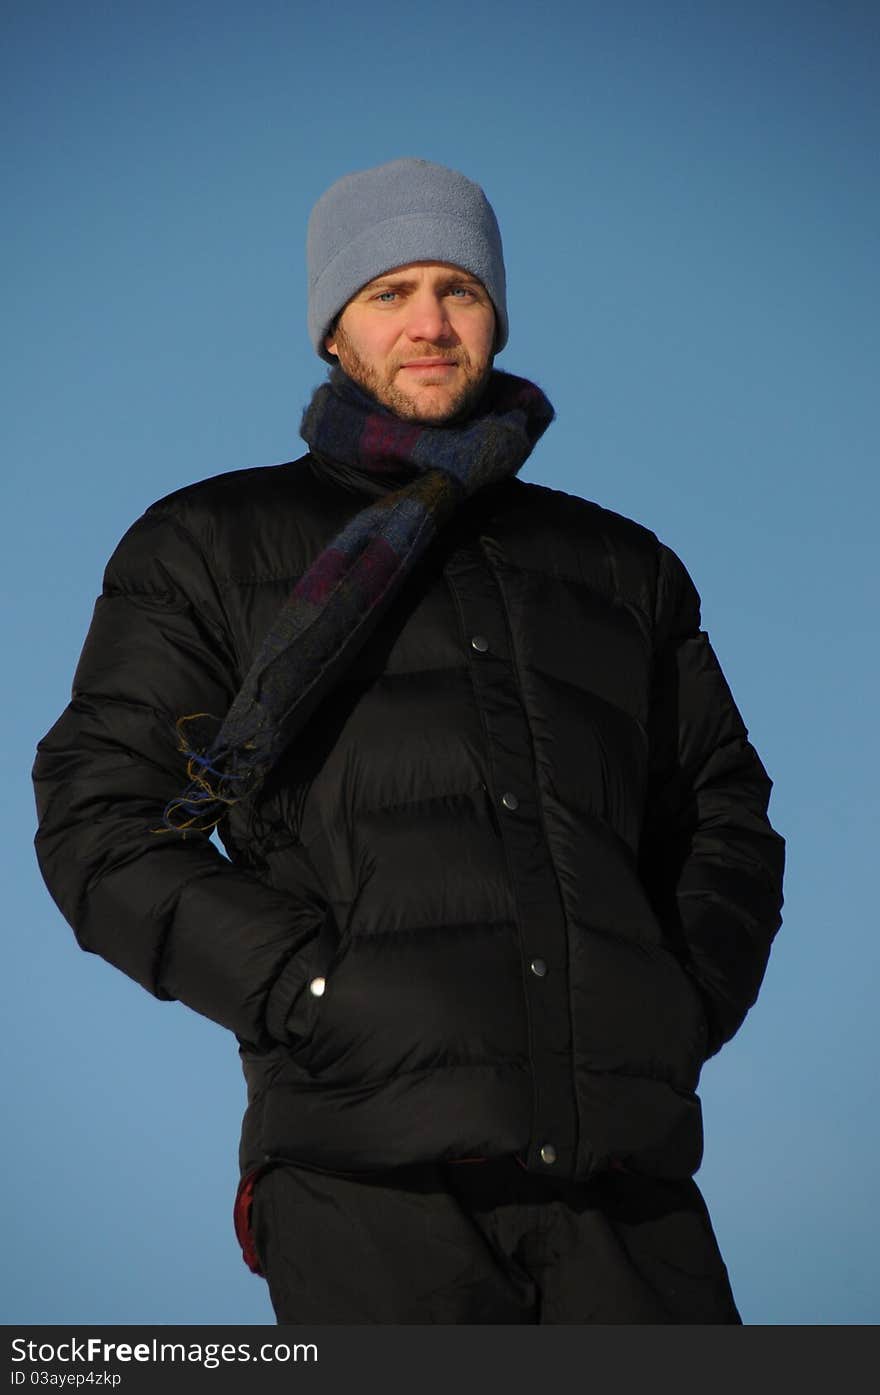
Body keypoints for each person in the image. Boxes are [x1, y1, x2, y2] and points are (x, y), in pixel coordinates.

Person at [32, 157, 785, 1325]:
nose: (429, 322)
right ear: (333, 331)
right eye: (388, 292)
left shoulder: (620, 568)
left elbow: (722, 813)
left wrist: (677, 1004)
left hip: (627, 1195)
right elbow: (104, 825)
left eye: (459, 289)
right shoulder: (209, 543)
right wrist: (315, 990)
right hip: (365, 1179)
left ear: (495, 315)